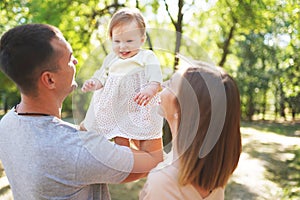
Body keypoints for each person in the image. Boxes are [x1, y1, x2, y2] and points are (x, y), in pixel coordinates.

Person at [0, 23, 163, 200]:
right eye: (70, 59)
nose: (76, 61)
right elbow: (153, 161)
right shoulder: (80, 150)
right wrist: (149, 103)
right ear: (49, 79)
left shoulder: (7, 123)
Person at [139, 61, 242, 199]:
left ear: (183, 109)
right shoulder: (214, 182)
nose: (162, 85)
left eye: (170, 84)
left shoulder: (162, 182)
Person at [81, 8, 163, 147]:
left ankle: (150, 162)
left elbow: (155, 79)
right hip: (116, 109)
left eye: (129, 41)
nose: (122, 46)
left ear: (142, 39)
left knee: (147, 141)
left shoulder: (146, 56)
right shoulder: (111, 59)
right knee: (120, 141)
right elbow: (102, 78)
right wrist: (94, 83)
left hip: (140, 107)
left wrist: (150, 90)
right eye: (117, 41)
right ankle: (126, 163)